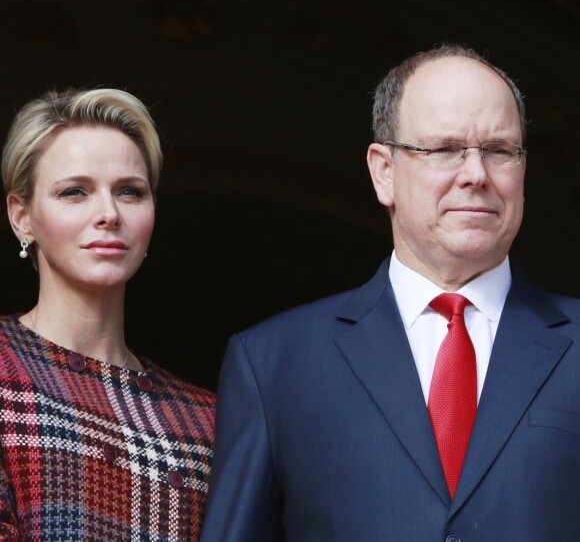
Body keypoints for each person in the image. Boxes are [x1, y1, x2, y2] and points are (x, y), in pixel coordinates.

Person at [200, 45, 580, 541]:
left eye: (500, 151)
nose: (476, 174)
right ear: (384, 171)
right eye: (444, 149)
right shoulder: (274, 364)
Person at [0, 88, 215, 540]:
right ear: (22, 217)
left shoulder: (207, 421)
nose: (108, 213)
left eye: (130, 192)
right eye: (74, 192)